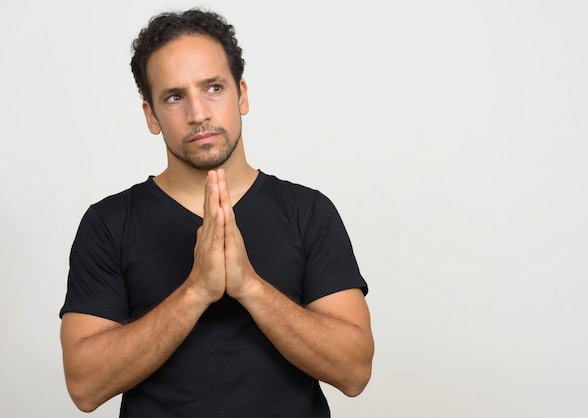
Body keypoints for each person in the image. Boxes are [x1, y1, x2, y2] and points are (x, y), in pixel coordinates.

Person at [59, 8, 374, 418]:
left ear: (241, 95)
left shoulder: (309, 211)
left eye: (213, 88)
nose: (198, 114)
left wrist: (250, 286)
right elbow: (84, 387)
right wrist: (196, 291)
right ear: (151, 116)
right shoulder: (108, 223)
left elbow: (355, 372)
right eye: (174, 96)